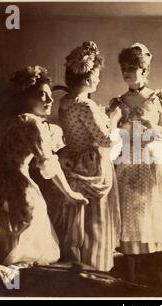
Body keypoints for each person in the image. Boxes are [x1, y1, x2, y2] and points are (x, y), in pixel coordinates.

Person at [0, 66, 88, 292]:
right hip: (19, 189)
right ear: (25, 97)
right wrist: (71, 194)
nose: (50, 99)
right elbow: (48, 165)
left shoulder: (16, 120)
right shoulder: (33, 124)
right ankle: (13, 291)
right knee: (21, 250)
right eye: (42, 94)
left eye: (50, 94)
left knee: (8, 247)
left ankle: (8, 291)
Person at [109, 43, 162, 283]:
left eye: (132, 67)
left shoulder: (157, 98)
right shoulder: (117, 102)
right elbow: (111, 135)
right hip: (127, 165)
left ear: (145, 69)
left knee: (151, 217)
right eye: (123, 68)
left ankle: (153, 272)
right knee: (130, 218)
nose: (127, 73)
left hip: (152, 164)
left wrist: (156, 129)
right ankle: (130, 275)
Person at [57, 41, 122, 272]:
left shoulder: (65, 103)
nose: (99, 80)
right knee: (97, 217)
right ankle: (96, 268)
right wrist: (113, 118)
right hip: (93, 164)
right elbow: (106, 140)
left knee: (82, 217)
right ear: (87, 79)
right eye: (97, 75)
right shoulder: (85, 104)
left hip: (76, 162)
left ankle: (81, 266)